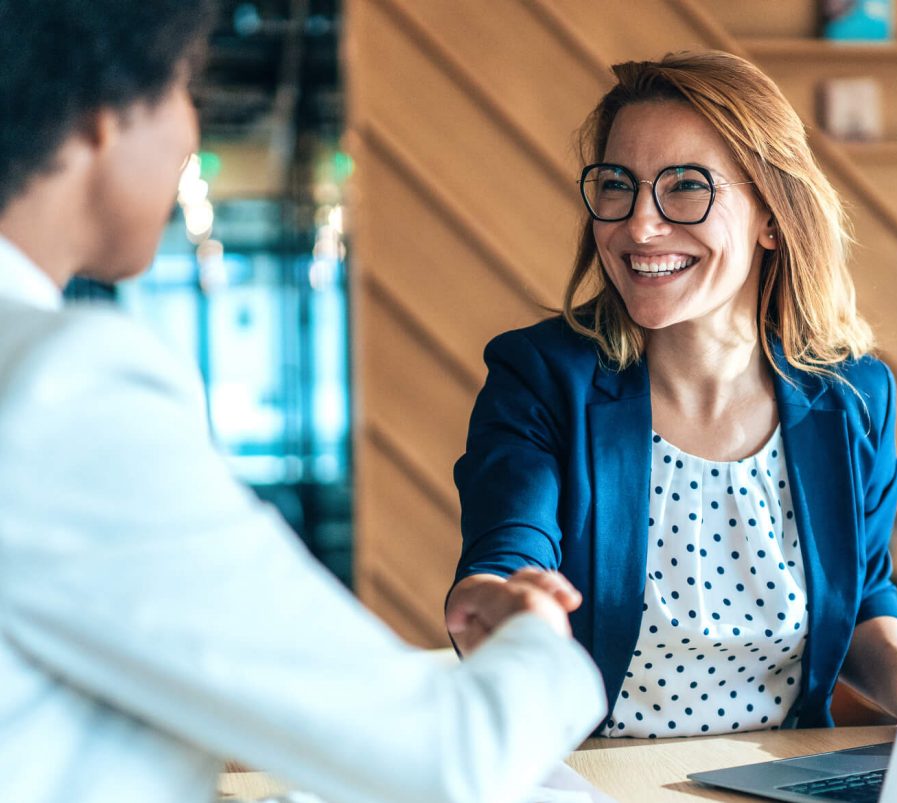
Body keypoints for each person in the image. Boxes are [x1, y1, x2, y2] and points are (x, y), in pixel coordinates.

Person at [0, 2, 604, 801]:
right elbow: (451, 757)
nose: (191, 130)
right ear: (101, 117)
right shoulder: (60, 384)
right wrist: (542, 642)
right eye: (185, 87)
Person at [447, 51, 897, 739]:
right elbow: (506, 554)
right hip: (595, 779)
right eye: (617, 185)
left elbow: (865, 590)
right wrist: (499, 603)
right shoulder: (541, 376)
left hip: (784, 779)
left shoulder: (854, 396)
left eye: (686, 187)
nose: (639, 226)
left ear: (772, 216)